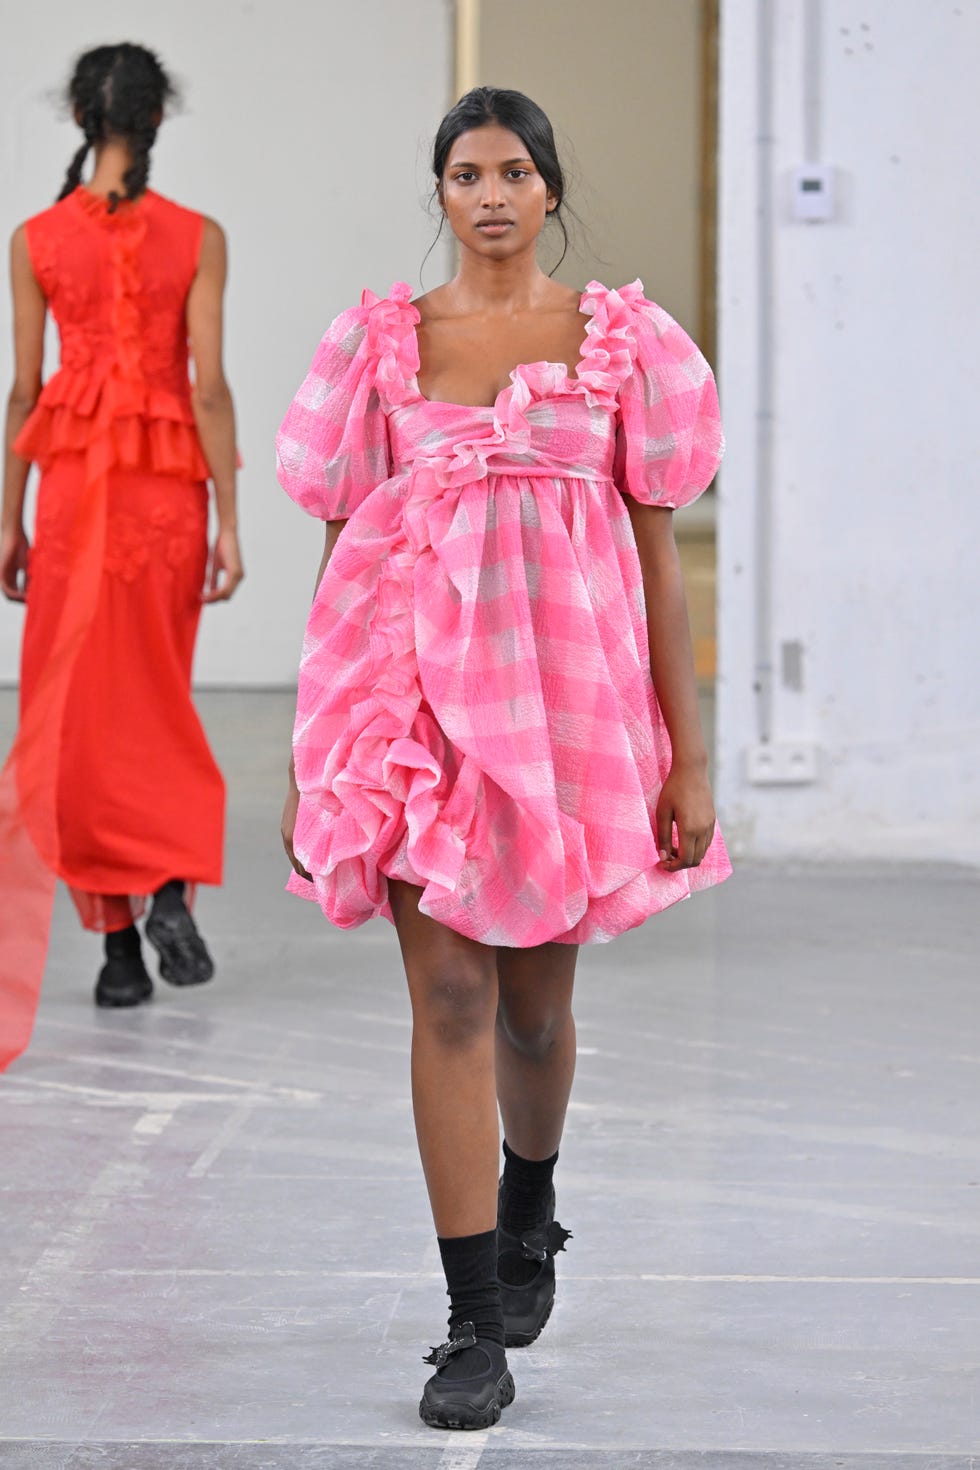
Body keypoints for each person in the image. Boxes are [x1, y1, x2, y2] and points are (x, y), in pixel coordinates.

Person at [278, 87, 730, 1430]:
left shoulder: (622, 345)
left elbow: (658, 563)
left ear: (548, 193)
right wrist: (323, 760)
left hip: (566, 716)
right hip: (412, 710)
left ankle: (531, 1202)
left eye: (515, 171)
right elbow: (343, 563)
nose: (490, 193)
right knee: (455, 1005)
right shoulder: (380, 348)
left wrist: (688, 755)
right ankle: (473, 1324)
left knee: (535, 1011)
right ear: (439, 194)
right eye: (466, 172)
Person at [0, 43, 243, 1069]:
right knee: (157, 695)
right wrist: (231, 516)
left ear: (76, 115)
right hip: (165, 496)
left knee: (81, 717)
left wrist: (6, 517)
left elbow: (22, 391)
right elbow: (210, 387)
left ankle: (115, 953)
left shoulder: (36, 239)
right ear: (158, 118)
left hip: (72, 499)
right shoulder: (199, 235)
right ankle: (173, 886)